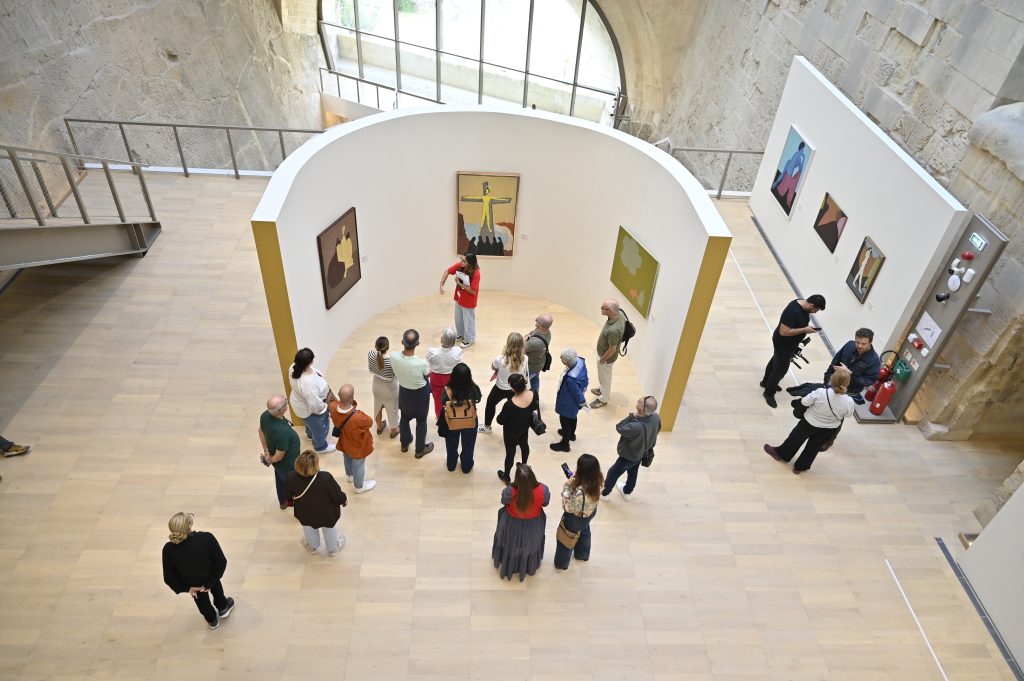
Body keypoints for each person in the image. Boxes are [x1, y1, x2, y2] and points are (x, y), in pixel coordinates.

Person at [764, 370, 856, 474]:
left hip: (809, 423)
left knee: (794, 440)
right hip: (829, 428)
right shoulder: (849, 401)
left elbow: (804, 402)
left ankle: (781, 454)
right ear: (847, 383)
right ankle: (800, 467)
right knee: (814, 448)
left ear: (832, 380)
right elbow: (848, 415)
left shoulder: (821, 392)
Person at [162, 512, 235, 630]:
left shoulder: (168, 550)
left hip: (193, 585)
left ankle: (211, 620)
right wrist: (210, 583)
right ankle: (223, 607)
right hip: (211, 576)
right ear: (189, 525)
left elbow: (169, 578)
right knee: (216, 587)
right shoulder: (206, 538)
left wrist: (187, 588)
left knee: (201, 601)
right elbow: (221, 562)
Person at [760, 294, 826, 408]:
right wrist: (804, 330)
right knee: (780, 370)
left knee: (775, 360)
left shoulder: (802, 305)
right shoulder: (792, 311)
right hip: (783, 344)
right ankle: (769, 393)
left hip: (789, 344)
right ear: (811, 305)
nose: (815, 313)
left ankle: (765, 382)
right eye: (816, 310)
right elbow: (783, 332)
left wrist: (804, 329)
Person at [491, 463, 550, 582]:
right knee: (530, 545)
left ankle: (510, 566)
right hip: (534, 524)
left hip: (511, 524)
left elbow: (504, 501)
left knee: (510, 544)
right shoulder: (543, 490)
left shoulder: (509, 491)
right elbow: (545, 503)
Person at [285, 450, 349, 555]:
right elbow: (336, 494)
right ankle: (333, 549)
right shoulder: (325, 477)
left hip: (304, 512)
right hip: (326, 513)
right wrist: (344, 500)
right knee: (329, 529)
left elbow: (289, 495)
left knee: (308, 529)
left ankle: (312, 547)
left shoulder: (291, 477)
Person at [601, 395, 661, 501]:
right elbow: (657, 430)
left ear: (642, 409)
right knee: (633, 472)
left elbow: (619, 427)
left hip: (629, 456)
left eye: (639, 401)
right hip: (642, 453)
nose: (637, 400)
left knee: (613, 472)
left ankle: (605, 494)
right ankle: (627, 492)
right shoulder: (656, 417)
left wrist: (632, 416)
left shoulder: (635, 427)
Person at [390, 329, 434, 458]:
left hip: (404, 393)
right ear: (418, 343)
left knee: (404, 418)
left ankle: (404, 444)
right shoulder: (422, 363)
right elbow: (428, 374)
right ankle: (419, 450)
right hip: (420, 395)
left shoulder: (393, 356)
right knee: (421, 421)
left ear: (402, 342)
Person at [554, 453, 604, 570]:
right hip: (590, 513)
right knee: (584, 531)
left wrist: (566, 487)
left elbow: (567, 507)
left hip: (575, 519)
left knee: (566, 539)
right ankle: (583, 555)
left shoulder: (580, 494)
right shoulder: (598, 480)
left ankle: (561, 563)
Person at [330, 384, 376, 493]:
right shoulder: (358, 417)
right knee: (358, 464)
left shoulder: (332, 407)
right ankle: (359, 486)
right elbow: (369, 422)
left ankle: (350, 476)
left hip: (344, 441)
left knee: (347, 458)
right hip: (357, 445)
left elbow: (334, 403)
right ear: (352, 398)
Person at [288, 348, 336, 454]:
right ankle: (321, 447)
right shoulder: (308, 384)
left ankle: (310, 435)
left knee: (309, 424)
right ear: (311, 361)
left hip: (299, 405)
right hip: (311, 410)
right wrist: (326, 406)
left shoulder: (293, 367)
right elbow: (315, 406)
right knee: (319, 428)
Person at [437, 362, 482, 473]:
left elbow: (443, 402)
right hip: (470, 421)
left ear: (453, 375)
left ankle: (451, 465)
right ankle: (466, 467)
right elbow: (478, 399)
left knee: (451, 445)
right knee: (469, 446)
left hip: (451, 422)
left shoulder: (447, 389)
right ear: (469, 376)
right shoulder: (473, 388)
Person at [258, 395, 301, 510]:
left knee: (279, 479)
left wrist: (266, 451)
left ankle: (282, 501)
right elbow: (279, 456)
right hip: (289, 465)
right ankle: (294, 502)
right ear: (282, 410)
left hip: (278, 464)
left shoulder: (265, 415)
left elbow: (260, 431)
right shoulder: (283, 432)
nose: (287, 402)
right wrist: (270, 460)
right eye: (286, 402)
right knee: (293, 484)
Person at [495, 373, 538, 484]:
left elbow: (500, 420)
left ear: (513, 388)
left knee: (510, 453)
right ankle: (524, 466)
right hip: (524, 428)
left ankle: (506, 476)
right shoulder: (533, 393)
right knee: (524, 446)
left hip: (510, 433)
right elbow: (534, 407)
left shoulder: (509, 404)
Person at [481, 332, 527, 433]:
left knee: (490, 404)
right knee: (513, 408)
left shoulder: (500, 359)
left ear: (508, 344)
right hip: (515, 389)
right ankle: (512, 428)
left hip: (500, 388)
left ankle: (487, 427)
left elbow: (493, 367)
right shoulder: (525, 358)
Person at [820, 328, 880, 403]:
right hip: (833, 382)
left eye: (863, 344)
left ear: (870, 342)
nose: (860, 346)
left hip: (849, 392)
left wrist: (850, 373)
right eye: (857, 342)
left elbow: (868, 381)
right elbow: (835, 361)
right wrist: (827, 378)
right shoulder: (849, 345)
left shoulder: (874, 361)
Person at [439, 252, 481, 348]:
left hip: (469, 301)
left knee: (468, 321)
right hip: (459, 298)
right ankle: (461, 334)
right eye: (461, 259)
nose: (461, 262)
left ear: (470, 263)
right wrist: (442, 283)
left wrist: (460, 284)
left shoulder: (476, 273)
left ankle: (469, 339)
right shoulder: (460, 265)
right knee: (458, 319)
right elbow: (447, 271)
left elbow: (473, 291)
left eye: (464, 261)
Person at [550, 349, 589, 452]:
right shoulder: (580, 362)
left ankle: (565, 444)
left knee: (565, 421)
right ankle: (572, 434)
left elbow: (576, 393)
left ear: (567, 362)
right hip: (573, 403)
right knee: (573, 417)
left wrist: (582, 402)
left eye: (563, 360)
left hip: (567, 402)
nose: (561, 360)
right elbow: (584, 383)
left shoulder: (571, 379)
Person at [589, 299, 625, 409]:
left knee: (605, 379)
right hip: (605, 356)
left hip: (606, 358)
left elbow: (612, 349)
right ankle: (602, 389)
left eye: (603, 308)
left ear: (610, 311)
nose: (601, 308)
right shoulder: (619, 313)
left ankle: (603, 399)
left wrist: (602, 360)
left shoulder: (614, 330)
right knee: (603, 377)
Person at [425, 327, 464, 418]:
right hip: (451, 379)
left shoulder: (432, 352)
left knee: (438, 400)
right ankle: (451, 415)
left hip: (436, 379)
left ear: (441, 340)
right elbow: (460, 357)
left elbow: (427, 358)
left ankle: (439, 417)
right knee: (451, 398)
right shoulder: (457, 351)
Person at [368, 336, 401, 439]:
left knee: (377, 407)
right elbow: (397, 375)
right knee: (392, 410)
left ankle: (379, 427)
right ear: (388, 348)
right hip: (389, 390)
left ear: (375, 346)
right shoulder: (391, 361)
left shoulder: (370, 354)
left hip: (376, 387)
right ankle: (394, 430)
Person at [524, 313, 553, 396]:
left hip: (531, 367)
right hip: (539, 363)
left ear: (541, 326)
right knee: (535, 379)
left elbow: (521, 348)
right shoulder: (546, 331)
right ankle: (535, 397)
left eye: (537, 320)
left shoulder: (535, 343)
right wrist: (528, 336)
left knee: (522, 383)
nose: (535, 320)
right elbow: (532, 332)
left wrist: (525, 338)